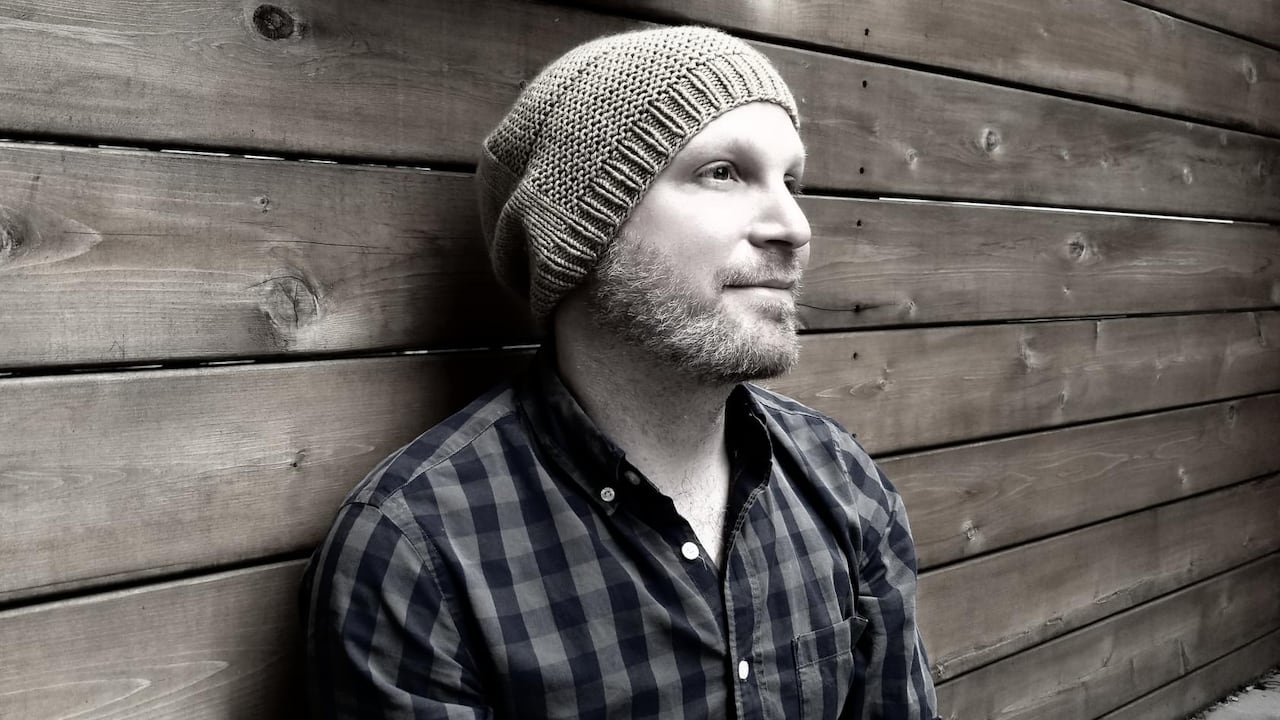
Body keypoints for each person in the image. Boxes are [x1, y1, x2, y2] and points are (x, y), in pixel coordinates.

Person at [300, 25, 939, 720]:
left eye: (791, 181)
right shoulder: (417, 550)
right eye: (722, 172)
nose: (793, 225)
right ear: (580, 233)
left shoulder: (839, 477)